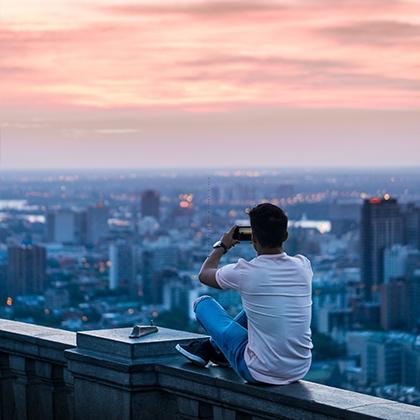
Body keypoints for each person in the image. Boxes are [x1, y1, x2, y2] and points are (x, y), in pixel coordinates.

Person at [175, 203, 313, 385]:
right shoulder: (304, 265)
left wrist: (222, 245)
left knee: (203, 303)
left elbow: (204, 274)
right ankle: (212, 349)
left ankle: (211, 349)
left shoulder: (246, 271)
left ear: (253, 238)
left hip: (258, 371)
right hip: (299, 368)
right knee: (255, 311)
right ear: (285, 236)